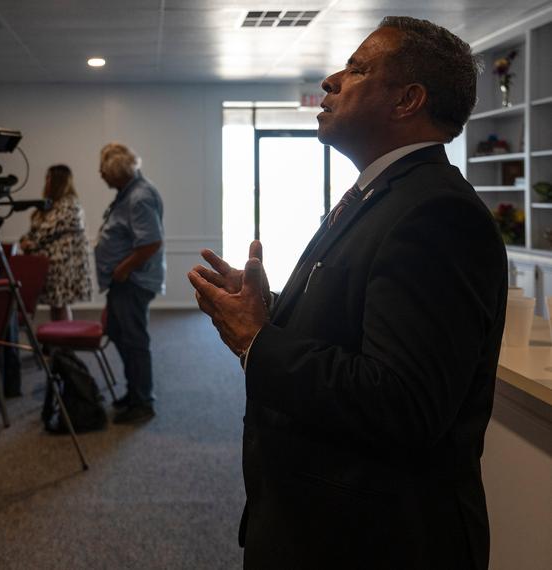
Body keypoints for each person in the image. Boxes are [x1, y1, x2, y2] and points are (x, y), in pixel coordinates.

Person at [188, 17, 507, 569]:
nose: (332, 80)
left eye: (357, 69)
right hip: (321, 522)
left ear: (408, 100)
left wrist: (257, 340)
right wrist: (273, 308)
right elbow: (357, 319)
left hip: (376, 540)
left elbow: (401, 403)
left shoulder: (436, 212)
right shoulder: (379, 195)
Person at [96, 142, 165, 424]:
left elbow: (150, 242)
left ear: (118, 173)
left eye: (104, 171)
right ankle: (134, 392)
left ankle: (142, 402)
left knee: (134, 341)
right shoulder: (128, 193)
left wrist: (122, 270)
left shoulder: (139, 197)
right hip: (124, 282)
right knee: (118, 332)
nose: (101, 176)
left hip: (133, 282)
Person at [19, 164, 92, 321]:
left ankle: (64, 342)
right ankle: (57, 342)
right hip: (53, 267)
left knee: (61, 306)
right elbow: (36, 230)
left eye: (48, 178)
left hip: (63, 268)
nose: (46, 182)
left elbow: (46, 231)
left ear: (58, 181)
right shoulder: (53, 204)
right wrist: (25, 239)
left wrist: (28, 243)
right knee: (57, 306)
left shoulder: (69, 205)